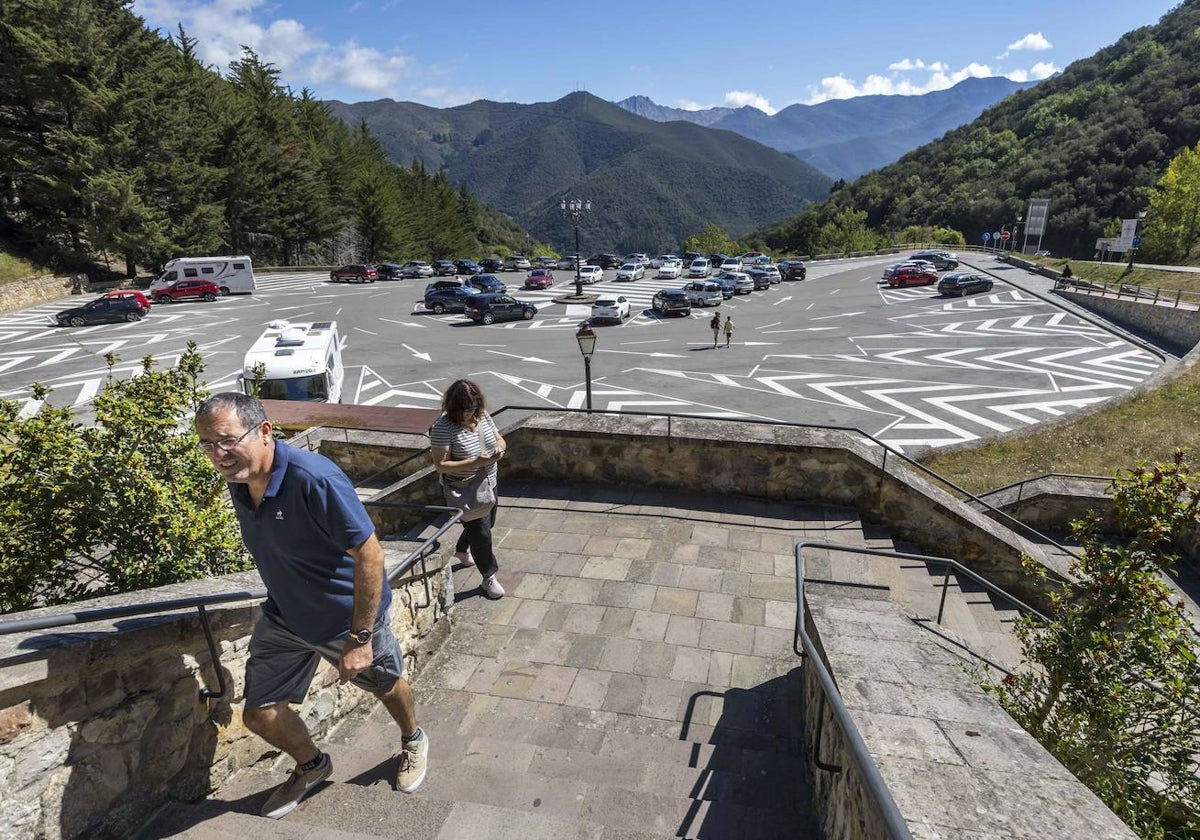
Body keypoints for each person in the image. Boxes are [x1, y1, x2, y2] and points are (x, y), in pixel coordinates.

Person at [194, 392, 427, 819]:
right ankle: (313, 766)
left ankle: (413, 739)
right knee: (260, 715)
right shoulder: (241, 480)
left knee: (386, 685)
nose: (218, 454)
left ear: (264, 431)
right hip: (285, 617)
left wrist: (360, 638)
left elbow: (371, 556)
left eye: (226, 440)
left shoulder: (313, 479)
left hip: (346, 619)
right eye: (207, 444)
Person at [429, 379, 507, 600]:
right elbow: (441, 465)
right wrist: (474, 462)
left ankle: (462, 550)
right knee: (482, 535)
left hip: (489, 481)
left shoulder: (483, 416)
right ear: (454, 408)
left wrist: (499, 449)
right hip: (465, 488)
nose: (469, 414)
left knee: (486, 524)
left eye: (473, 408)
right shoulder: (443, 428)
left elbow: (500, 439)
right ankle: (488, 577)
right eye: (464, 410)